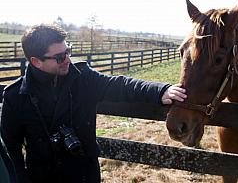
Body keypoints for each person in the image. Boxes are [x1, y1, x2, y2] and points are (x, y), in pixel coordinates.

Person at [0, 24, 186, 183]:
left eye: (68, 51)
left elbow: (120, 85)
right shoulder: (16, 96)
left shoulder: (83, 78)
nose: (67, 60)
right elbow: (11, 147)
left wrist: (161, 91)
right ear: (36, 61)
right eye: (59, 57)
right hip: (41, 178)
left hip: (84, 176)